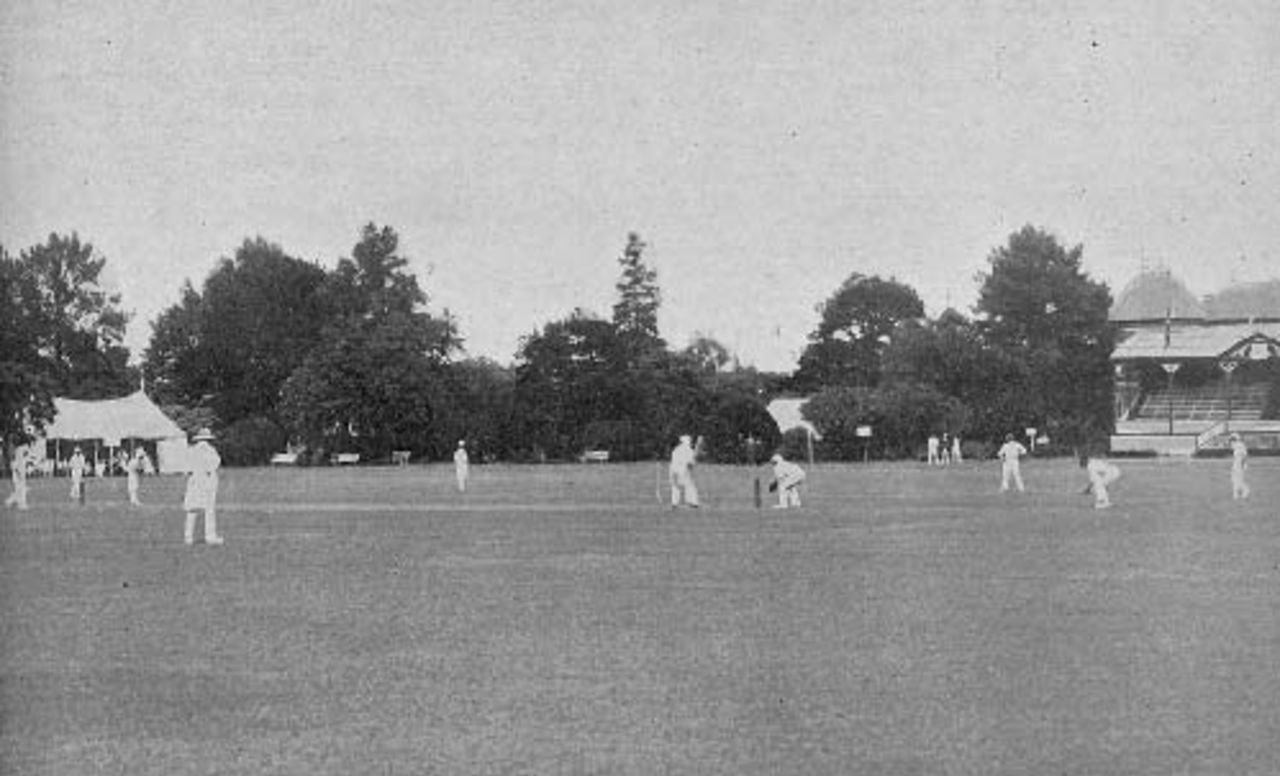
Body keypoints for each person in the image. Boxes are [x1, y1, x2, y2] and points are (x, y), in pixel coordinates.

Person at [183, 428, 224, 546]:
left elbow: (187, 468)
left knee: (192, 510)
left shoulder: (191, 450)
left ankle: (188, 537)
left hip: (194, 482)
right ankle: (210, 536)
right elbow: (213, 465)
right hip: (207, 482)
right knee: (209, 510)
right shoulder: (210, 451)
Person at [669, 434, 700, 509]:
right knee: (689, 485)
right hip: (683, 470)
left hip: (673, 470)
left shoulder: (676, 450)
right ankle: (693, 502)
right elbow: (690, 463)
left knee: (675, 487)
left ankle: (674, 503)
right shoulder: (689, 450)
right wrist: (693, 464)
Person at [5, 444, 30, 510]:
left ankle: (13, 502)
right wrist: (19, 473)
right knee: (20, 489)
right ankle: (20, 504)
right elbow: (15, 467)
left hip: (19, 474)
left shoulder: (19, 454)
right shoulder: (17, 453)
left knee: (20, 489)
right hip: (17, 475)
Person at [1229, 433, 1250, 501]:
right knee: (1234, 479)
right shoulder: (1236, 446)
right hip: (1236, 464)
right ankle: (1236, 494)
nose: (1230, 442)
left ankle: (1245, 492)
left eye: (1232, 439)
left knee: (1239, 480)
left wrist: (1243, 465)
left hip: (1240, 464)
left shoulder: (1240, 446)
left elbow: (1244, 456)